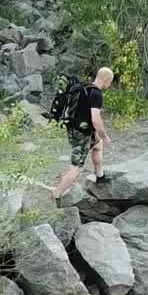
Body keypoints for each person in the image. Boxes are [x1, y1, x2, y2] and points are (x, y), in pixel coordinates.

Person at [52, 67, 114, 198]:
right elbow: (96, 119)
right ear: (106, 79)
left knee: (98, 144)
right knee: (77, 166)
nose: (109, 85)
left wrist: (98, 136)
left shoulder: (85, 87)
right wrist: (105, 135)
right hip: (82, 133)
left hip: (74, 129)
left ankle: (99, 175)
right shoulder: (96, 94)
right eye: (110, 82)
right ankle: (57, 194)